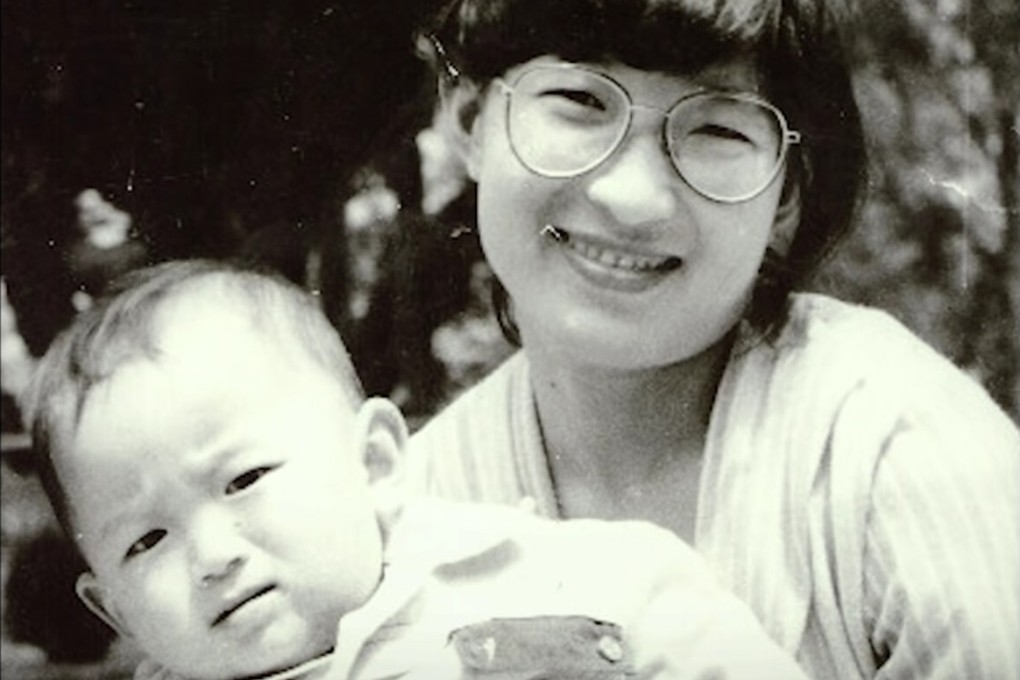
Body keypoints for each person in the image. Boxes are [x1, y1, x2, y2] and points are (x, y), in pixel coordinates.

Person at [406, 0, 1020, 677]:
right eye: (579, 100)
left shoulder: (900, 458)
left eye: (718, 132)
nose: (631, 196)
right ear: (470, 123)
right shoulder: (413, 507)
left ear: (787, 195)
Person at [23, 259, 806, 680]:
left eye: (244, 480)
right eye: (146, 540)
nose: (213, 555)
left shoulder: (561, 578)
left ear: (376, 461)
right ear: (113, 610)